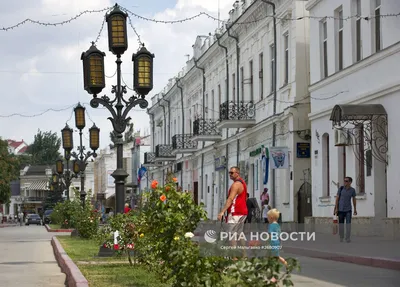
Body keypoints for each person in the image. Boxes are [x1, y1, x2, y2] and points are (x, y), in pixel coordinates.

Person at [217, 166, 248, 257]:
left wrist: (222, 212)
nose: (230, 174)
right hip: (243, 211)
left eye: (232, 173)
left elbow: (230, 199)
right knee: (239, 233)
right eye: (229, 172)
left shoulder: (236, 185)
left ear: (237, 173)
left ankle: (233, 256)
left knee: (232, 235)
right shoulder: (243, 183)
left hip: (235, 212)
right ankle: (244, 255)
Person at [334, 176, 357, 243]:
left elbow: (354, 199)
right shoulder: (341, 189)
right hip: (340, 210)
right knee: (341, 224)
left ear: (350, 182)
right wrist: (336, 208)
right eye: (344, 181)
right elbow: (337, 199)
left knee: (348, 224)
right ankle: (341, 237)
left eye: (346, 181)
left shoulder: (352, 190)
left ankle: (347, 238)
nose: (345, 182)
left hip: (348, 210)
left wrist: (355, 209)